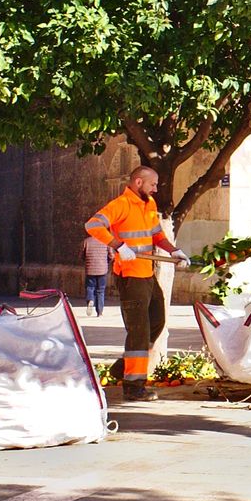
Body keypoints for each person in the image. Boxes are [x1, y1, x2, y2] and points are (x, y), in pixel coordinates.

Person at [85, 166, 188, 401]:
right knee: (139, 332)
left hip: (147, 273)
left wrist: (174, 251)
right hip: (130, 276)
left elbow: (157, 236)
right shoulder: (120, 205)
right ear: (139, 182)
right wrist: (118, 245)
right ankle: (134, 387)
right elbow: (92, 225)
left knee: (158, 321)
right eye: (153, 184)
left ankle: (123, 368)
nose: (156, 188)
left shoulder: (148, 204)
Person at [83, 234, 111, 318]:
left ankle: (90, 300)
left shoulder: (87, 241)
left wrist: (87, 261)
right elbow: (111, 255)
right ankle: (100, 312)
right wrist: (106, 262)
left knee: (90, 287)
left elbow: (82, 254)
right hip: (102, 269)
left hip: (90, 269)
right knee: (100, 290)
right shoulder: (106, 241)